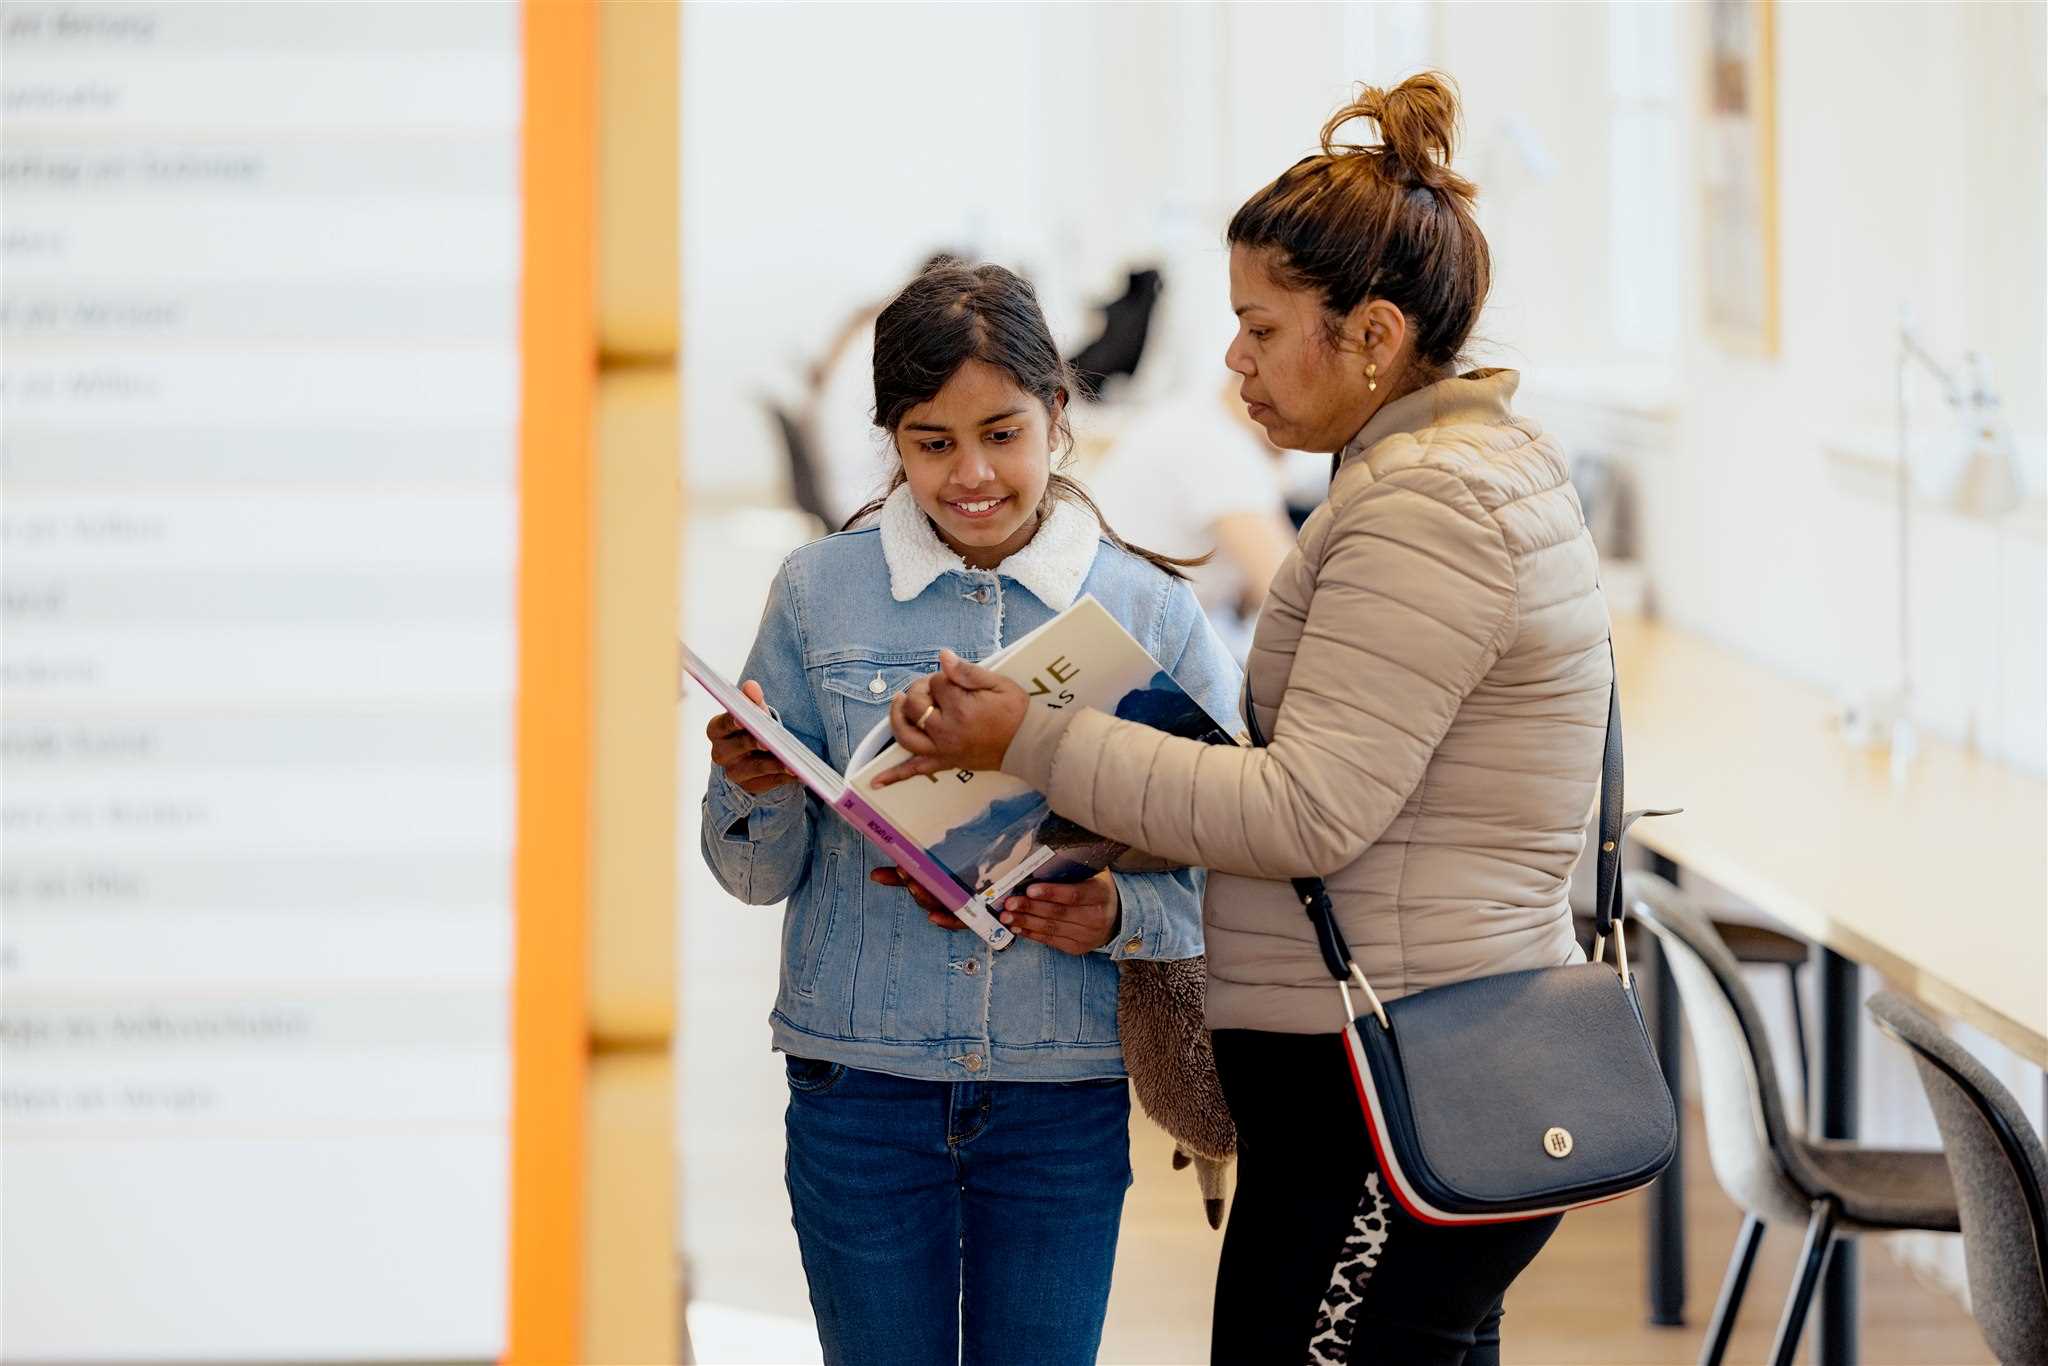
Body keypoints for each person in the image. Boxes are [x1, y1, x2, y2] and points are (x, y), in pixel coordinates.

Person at [875, 74, 1611, 1366]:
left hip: (1390, 1075)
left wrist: (1029, 740)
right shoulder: (1461, 471)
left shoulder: (1421, 508)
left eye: (1261, 328)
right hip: (1420, 1049)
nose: (1232, 361)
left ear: (1373, 336)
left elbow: (1309, 809)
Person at [700, 261, 1241, 1366]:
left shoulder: (1149, 612)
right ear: (889, 440)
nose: (972, 474)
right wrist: (748, 793)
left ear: (1056, 413)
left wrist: (1117, 914)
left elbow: (1234, 873)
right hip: (859, 1086)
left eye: (1001, 431)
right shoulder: (815, 592)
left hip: (1060, 1093)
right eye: (930, 441)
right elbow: (754, 878)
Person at [1078, 376, 1297, 661]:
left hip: (1115, 632)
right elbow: (1291, 597)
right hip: (1123, 649)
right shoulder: (1220, 450)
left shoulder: (1192, 415)